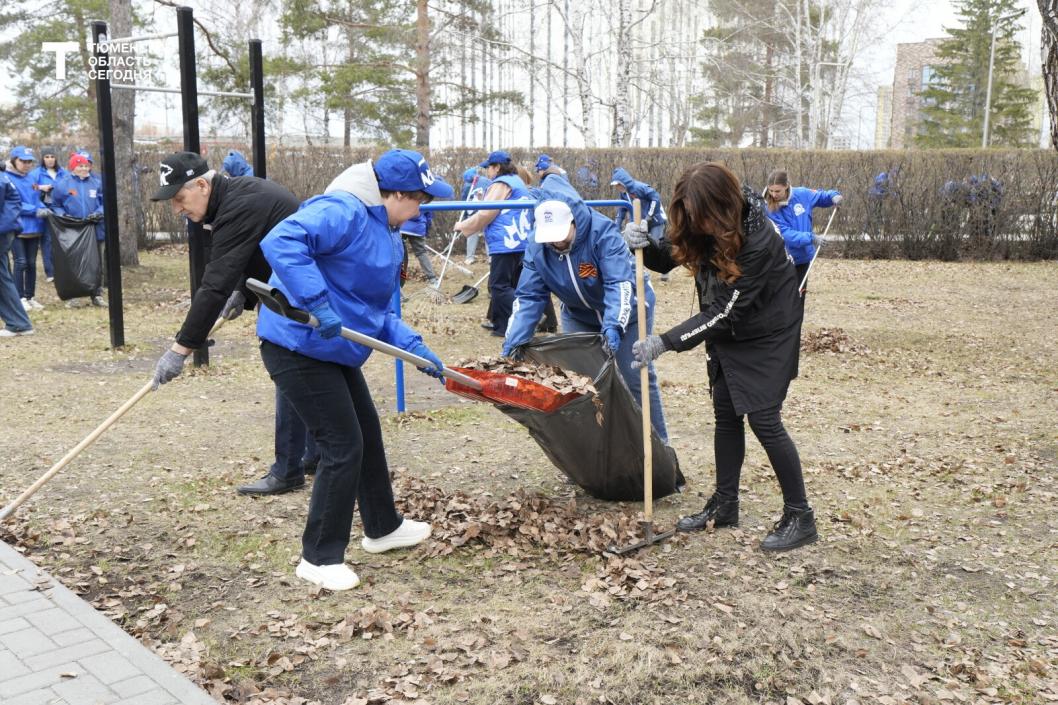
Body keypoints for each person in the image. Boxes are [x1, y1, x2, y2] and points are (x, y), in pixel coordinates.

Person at [255, 149, 452, 591]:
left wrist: (416, 348)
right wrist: (318, 303)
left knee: (366, 434)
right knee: (341, 444)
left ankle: (382, 527)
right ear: (396, 194)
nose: (422, 210)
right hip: (298, 345)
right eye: (419, 199)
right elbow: (281, 241)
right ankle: (319, 558)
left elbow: (377, 312)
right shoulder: (342, 209)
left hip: (335, 350)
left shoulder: (386, 231)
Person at [628, 161, 817, 552]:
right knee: (726, 412)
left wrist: (665, 341)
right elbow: (676, 251)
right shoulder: (708, 220)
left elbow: (724, 314)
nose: (699, 225)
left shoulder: (759, 240)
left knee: (765, 418)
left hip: (767, 330)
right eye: (692, 218)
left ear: (722, 207)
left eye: (703, 217)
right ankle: (725, 505)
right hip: (731, 324)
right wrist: (646, 242)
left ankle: (801, 517)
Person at [146, 151, 319, 496]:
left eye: (180, 199)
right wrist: (244, 291)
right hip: (296, 286)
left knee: (289, 366)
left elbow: (214, 283)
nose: (178, 209)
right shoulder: (233, 196)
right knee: (306, 370)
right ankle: (313, 455)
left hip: (307, 291)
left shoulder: (239, 204)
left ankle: (288, 470)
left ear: (201, 185)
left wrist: (180, 349)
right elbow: (254, 248)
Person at [502, 173, 668, 442]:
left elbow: (619, 284)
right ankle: (601, 452)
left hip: (629, 310)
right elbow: (529, 296)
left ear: (573, 220)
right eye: (550, 237)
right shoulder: (537, 246)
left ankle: (659, 449)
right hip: (578, 315)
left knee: (634, 376)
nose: (556, 242)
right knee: (583, 383)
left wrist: (614, 325)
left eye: (560, 234)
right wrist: (513, 342)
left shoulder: (602, 234)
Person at [453, 150, 533, 336]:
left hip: (506, 242)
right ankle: (503, 327)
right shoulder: (517, 181)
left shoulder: (501, 183)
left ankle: (530, 312)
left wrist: (463, 226)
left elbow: (486, 213)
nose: (487, 172)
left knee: (499, 287)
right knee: (511, 285)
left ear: (497, 167)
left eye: (488, 167)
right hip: (520, 241)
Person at [763, 169, 841, 296]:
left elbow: (821, 196)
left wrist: (833, 196)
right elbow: (783, 233)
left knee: (799, 297)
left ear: (787, 186)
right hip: (782, 260)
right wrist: (811, 237)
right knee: (783, 300)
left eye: (777, 191)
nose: (774, 195)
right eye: (771, 191)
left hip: (803, 259)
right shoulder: (768, 208)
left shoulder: (802, 194)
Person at [51, 153, 106, 306]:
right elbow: (55, 205)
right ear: (73, 167)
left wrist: (98, 213)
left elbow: (104, 202)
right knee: (72, 262)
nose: (83, 168)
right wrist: (64, 216)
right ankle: (72, 296)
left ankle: (96, 294)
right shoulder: (63, 184)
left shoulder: (96, 182)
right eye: (80, 166)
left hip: (93, 228)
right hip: (72, 230)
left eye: (86, 165)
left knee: (96, 262)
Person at [5, 147, 48, 311]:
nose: (26, 164)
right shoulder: (7, 178)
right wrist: (34, 210)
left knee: (31, 263)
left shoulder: (31, 179)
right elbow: (13, 203)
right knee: (20, 262)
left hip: (35, 227)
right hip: (16, 226)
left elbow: (37, 199)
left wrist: (44, 208)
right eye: (23, 161)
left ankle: (30, 297)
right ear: (14, 160)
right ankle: (19, 298)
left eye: (29, 161)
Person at [611, 167, 669, 280]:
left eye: (618, 185)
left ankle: (665, 271)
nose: (617, 188)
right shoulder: (623, 195)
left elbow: (655, 198)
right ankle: (642, 271)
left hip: (655, 221)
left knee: (657, 245)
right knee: (640, 245)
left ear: (623, 182)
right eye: (615, 186)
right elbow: (621, 211)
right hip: (640, 224)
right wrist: (616, 227)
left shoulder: (639, 187)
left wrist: (648, 218)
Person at [0, 169, 34, 337]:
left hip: (2, 231)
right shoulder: (3, 178)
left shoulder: (1, 180)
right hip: (5, 230)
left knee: (2, 278)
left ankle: (19, 323)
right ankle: (18, 322)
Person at [30, 147, 66, 283]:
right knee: (47, 241)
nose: (50, 159)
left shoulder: (63, 173)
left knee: (62, 240)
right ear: (42, 158)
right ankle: (50, 272)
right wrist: (41, 188)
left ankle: (62, 269)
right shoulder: (36, 173)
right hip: (45, 209)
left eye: (52, 156)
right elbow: (29, 187)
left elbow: (70, 188)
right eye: (47, 156)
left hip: (61, 210)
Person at [459, 166, 490, 265]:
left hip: (472, 212)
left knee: (472, 234)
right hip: (487, 210)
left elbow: (464, 201)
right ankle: (491, 257)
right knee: (488, 234)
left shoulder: (467, 185)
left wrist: (464, 217)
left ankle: (470, 257)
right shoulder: (488, 181)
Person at [399, 210, 439, 286]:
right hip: (418, 228)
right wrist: (426, 231)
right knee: (421, 253)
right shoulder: (426, 198)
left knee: (400, 253)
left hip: (402, 226)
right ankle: (432, 279)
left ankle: (398, 285)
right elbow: (429, 216)